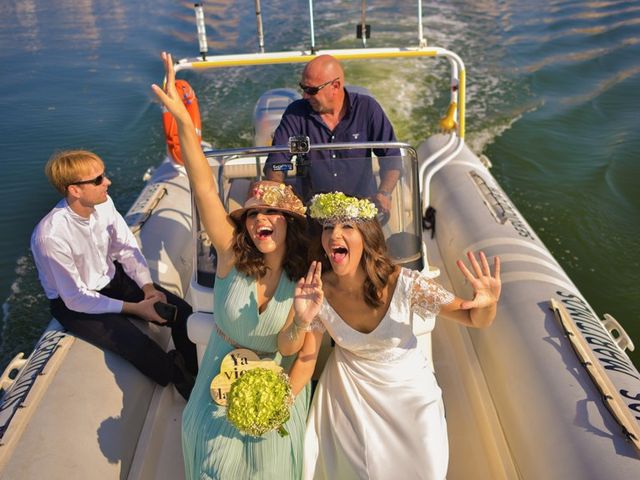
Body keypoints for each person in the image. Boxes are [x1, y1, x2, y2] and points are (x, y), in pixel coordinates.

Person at [152, 52, 316, 480]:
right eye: (253, 212)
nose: (261, 218)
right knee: (215, 466)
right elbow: (203, 183)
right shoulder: (230, 252)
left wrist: (299, 321)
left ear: (289, 223)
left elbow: (295, 352)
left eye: (272, 213)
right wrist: (183, 122)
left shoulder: (305, 274)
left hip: (279, 388)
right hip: (219, 383)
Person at [278, 193, 502, 480]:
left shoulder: (405, 284)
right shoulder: (317, 290)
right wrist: (278, 404)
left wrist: (489, 303)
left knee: (426, 468)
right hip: (349, 394)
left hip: (409, 394)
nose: (335, 234)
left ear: (366, 237)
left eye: (347, 226)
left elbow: (473, 317)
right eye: (328, 227)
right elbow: (305, 361)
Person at [31, 150, 198, 400]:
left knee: (182, 312)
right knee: (136, 345)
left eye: (104, 175)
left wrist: (148, 288)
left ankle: (196, 368)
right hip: (74, 303)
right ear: (74, 190)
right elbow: (75, 297)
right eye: (98, 179)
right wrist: (136, 308)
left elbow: (125, 248)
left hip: (112, 278)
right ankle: (176, 373)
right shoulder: (50, 236)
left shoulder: (104, 204)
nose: (107, 182)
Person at [264, 54, 401, 211]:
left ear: (335, 86)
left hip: (361, 210)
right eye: (303, 88)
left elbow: (392, 158)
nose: (305, 96)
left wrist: (384, 193)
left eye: (311, 90)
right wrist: (278, 190)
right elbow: (278, 161)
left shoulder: (367, 109)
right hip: (311, 212)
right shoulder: (296, 113)